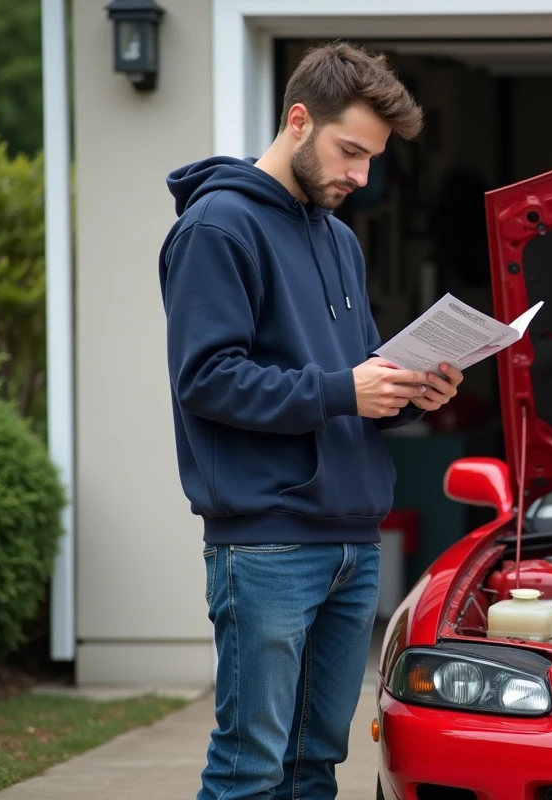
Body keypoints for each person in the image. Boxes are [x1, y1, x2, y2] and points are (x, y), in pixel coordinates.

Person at [157, 41, 462, 800]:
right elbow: (207, 379)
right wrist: (342, 391)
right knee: (249, 769)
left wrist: (409, 392)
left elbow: (349, 386)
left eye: (373, 159)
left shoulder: (338, 238)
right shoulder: (217, 229)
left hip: (352, 545)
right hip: (268, 542)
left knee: (314, 767)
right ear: (299, 120)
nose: (360, 176)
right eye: (350, 151)